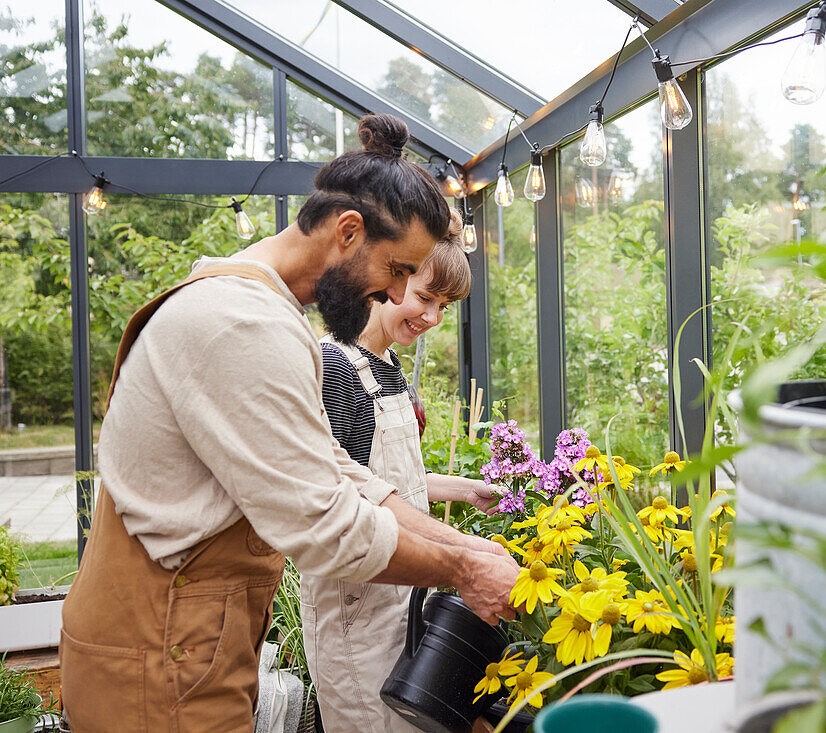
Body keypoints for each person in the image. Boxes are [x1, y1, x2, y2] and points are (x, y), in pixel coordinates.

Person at [59, 113, 520, 733]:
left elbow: (334, 471)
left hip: (186, 642)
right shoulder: (243, 324)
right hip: (158, 648)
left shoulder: (258, 307)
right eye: (399, 270)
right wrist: (463, 571)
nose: (393, 294)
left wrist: (464, 543)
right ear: (348, 232)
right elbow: (326, 524)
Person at [304, 217, 495, 731]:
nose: (433, 317)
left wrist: (465, 490)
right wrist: (462, 554)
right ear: (392, 277)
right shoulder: (337, 368)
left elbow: (387, 481)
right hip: (356, 611)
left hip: (405, 598)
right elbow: (340, 497)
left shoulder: (387, 366)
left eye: (444, 307)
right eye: (425, 297)